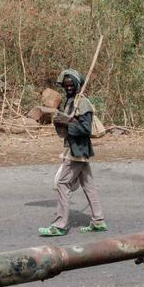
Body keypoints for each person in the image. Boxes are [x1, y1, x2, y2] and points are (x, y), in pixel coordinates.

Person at [38, 69, 107, 237]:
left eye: (71, 85)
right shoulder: (71, 101)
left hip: (78, 150)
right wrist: (59, 121)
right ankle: (98, 221)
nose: (68, 88)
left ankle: (60, 225)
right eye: (66, 86)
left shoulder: (82, 103)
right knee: (88, 185)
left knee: (62, 183)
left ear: (77, 85)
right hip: (74, 147)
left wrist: (68, 123)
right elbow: (68, 123)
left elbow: (85, 128)